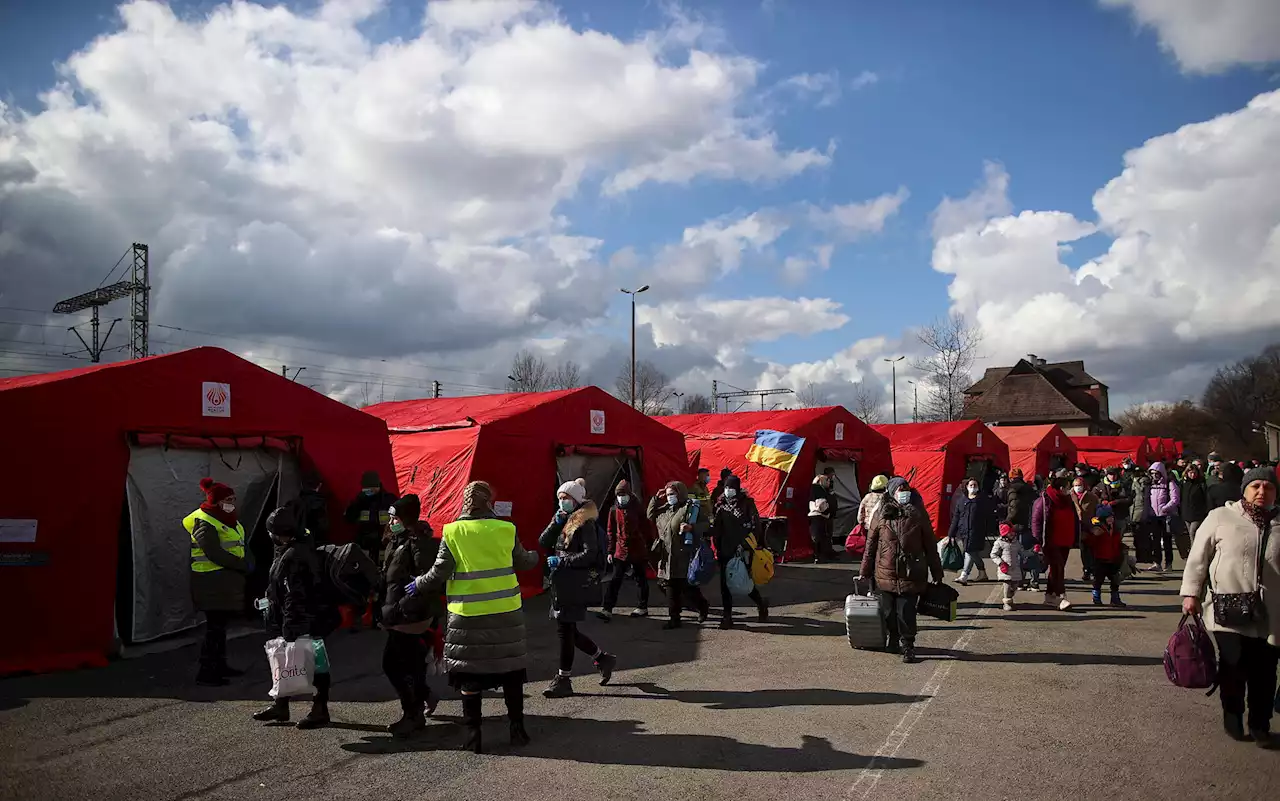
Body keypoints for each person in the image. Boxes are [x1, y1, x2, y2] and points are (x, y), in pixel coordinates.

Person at [407, 481, 539, 754]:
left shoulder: (454, 531)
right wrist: (537, 556)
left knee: (470, 677)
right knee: (511, 672)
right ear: (489, 502)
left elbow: (439, 572)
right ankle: (517, 729)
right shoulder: (506, 529)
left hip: (467, 615)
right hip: (506, 613)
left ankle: (473, 735)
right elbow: (524, 562)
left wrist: (417, 584)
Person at [1180, 467, 1280, 748]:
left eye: (1268, 487)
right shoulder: (1220, 517)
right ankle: (1232, 716)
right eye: (1256, 486)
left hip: (1271, 611)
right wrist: (1191, 594)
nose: (1262, 491)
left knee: (1265, 670)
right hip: (1228, 607)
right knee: (1234, 666)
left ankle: (1260, 724)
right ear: (1244, 489)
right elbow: (1198, 559)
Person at [253, 505, 341, 729]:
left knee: (317, 665)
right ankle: (280, 704)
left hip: (306, 620)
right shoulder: (288, 549)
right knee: (282, 661)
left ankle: (320, 710)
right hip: (293, 618)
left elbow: (296, 594)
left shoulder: (296, 555)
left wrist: (292, 627)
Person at [539, 480, 617, 698]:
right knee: (569, 630)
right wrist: (555, 522)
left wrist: (562, 562)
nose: (562, 502)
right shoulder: (563, 519)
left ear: (577, 500)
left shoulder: (585, 523)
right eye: (560, 498)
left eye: (566, 498)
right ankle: (603, 659)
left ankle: (564, 678)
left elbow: (590, 554)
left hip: (574, 583)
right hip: (561, 583)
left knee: (565, 631)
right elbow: (543, 540)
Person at [858, 477, 944, 664]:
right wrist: (864, 570)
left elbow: (930, 544)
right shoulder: (880, 513)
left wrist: (937, 572)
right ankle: (893, 639)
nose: (904, 492)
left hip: (911, 573)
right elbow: (871, 544)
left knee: (906, 613)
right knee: (888, 613)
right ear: (891, 492)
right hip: (885, 573)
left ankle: (908, 645)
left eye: (906, 489)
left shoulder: (918, 513)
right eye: (899, 489)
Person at [379, 494, 443, 737]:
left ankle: (413, 713)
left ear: (404, 519)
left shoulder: (420, 544)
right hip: (400, 613)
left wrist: (399, 608)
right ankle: (423, 697)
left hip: (412, 616)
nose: (390, 520)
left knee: (393, 664)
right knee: (412, 663)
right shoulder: (398, 540)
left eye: (394, 517)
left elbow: (426, 582)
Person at [184, 478, 250, 686]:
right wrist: (242, 565)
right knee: (214, 629)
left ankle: (219, 666)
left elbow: (240, 543)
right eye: (228, 499)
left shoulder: (229, 519)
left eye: (233, 498)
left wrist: (248, 560)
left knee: (220, 628)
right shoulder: (204, 521)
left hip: (224, 581)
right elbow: (214, 553)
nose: (232, 502)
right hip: (209, 581)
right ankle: (207, 672)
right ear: (216, 501)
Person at [649, 481, 711, 629]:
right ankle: (674, 618)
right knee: (669, 587)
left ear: (680, 493)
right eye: (668, 494)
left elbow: (706, 524)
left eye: (673, 494)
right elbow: (650, 515)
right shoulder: (664, 510)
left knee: (687, 587)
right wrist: (656, 499)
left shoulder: (689, 508)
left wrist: (692, 527)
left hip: (683, 554)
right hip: (667, 555)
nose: (670, 497)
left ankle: (702, 606)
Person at [708, 476, 769, 628]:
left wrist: (748, 544)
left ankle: (761, 604)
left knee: (743, 580)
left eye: (731, 488)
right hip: (724, 549)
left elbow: (756, 526)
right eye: (726, 488)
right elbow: (717, 527)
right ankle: (727, 617)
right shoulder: (720, 504)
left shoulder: (747, 503)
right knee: (725, 585)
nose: (728, 491)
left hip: (742, 548)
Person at [343, 471, 397, 630]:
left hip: (384, 547)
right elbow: (348, 519)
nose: (369, 492)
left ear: (378, 486)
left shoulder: (389, 501)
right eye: (366, 489)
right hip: (364, 548)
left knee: (384, 579)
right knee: (364, 580)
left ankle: (383, 614)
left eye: (372, 488)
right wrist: (356, 504)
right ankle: (364, 614)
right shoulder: (359, 502)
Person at [599, 479, 651, 620]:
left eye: (624, 494)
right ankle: (607, 609)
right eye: (619, 495)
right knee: (616, 579)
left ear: (629, 494)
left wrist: (647, 544)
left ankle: (642, 607)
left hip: (637, 548)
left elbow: (646, 527)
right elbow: (610, 531)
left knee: (640, 578)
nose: (621, 497)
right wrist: (610, 551)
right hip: (620, 550)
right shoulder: (614, 509)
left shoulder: (637, 507)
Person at [1032, 473, 1077, 611]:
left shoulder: (1068, 500)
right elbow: (1036, 521)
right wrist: (1037, 541)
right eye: (1069, 487)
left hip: (1066, 540)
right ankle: (1060, 596)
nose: (1071, 490)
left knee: (1056, 569)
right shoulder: (1044, 500)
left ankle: (1050, 596)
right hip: (1050, 541)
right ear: (1061, 488)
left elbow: (1075, 518)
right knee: (1058, 568)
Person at [1138, 462, 1181, 572]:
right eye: (1152, 473)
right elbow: (1147, 500)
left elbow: (1175, 499)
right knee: (1155, 541)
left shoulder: (1169, 483)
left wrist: (1165, 508)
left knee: (1167, 541)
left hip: (1165, 516)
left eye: (1156, 473)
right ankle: (1157, 563)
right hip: (1153, 516)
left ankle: (1169, 564)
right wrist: (1146, 514)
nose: (1154, 475)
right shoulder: (1149, 484)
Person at [951, 477, 992, 585]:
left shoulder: (981, 500)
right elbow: (956, 517)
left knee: (969, 551)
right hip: (964, 531)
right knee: (972, 553)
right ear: (967, 487)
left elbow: (988, 515)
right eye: (971, 485)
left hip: (977, 531)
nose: (973, 487)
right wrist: (951, 533)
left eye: (975, 485)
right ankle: (982, 573)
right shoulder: (962, 501)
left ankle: (964, 575)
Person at [1005, 468, 1039, 591]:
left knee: (1018, 553)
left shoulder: (1013, 489)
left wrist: (1007, 520)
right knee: (1032, 552)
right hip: (1031, 524)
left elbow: (1014, 507)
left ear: (1011, 478)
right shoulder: (1029, 488)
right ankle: (1034, 580)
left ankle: (1020, 580)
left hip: (1018, 524)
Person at [1084, 505, 1125, 608]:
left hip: (1113, 559)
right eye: (1108, 517)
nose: (1111, 519)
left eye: (1112, 517)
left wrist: (1122, 548)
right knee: (1098, 581)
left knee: (1115, 580)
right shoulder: (1098, 530)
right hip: (1100, 560)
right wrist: (1093, 535)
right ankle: (1096, 597)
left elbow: (1117, 543)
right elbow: (1089, 543)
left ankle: (1115, 599)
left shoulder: (1115, 530)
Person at [1071, 475, 1100, 582]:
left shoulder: (1091, 497)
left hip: (1088, 527)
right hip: (1074, 527)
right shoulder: (1069, 496)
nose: (1078, 487)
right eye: (1076, 485)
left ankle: (1089, 570)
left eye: (1080, 485)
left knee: (1088, 550)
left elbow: (1097, 512)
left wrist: (1095, 525)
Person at [989, 522, 1024, 611]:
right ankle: (1007, 602)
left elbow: (1023, 553)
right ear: (1005, 534)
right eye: (1010, 532)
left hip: (1015, 568)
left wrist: (1033, 551)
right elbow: (993, 555)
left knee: (1015, 585)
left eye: (1013, 532)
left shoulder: (1016, 543)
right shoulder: (999, 543)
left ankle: (1010, 597)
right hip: (1005, 569)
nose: (1012, 534)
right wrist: (1000, 563)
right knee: (1007, 585)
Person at [1181, 463, 1210, 560]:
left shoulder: (1201, 484)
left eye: (1194, 473)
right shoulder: (1184, 484)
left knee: (1192, 532)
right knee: (1190, 534)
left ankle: (1195, 555)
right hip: (1187, 512)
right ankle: (1195, 552)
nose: (1192, 475)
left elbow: (1206, 498)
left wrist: (1205, 510)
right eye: (1190, 473)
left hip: (1198, 513)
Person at [809, 473, 838, 563]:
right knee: (819, 536)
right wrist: (827, 511)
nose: (829, 482)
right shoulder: (818, 490)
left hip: (819, 515)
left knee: (820, 536)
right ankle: (819, 555)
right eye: (827, 480)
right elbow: (821, 505)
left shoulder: (820, 490)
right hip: (819, 515)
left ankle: (820, 555)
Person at [297, 471, 331, 545]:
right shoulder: (318, 503)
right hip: (315, 543)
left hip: (300, 542)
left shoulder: (297, 501)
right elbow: (323, 526)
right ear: (319, 485)